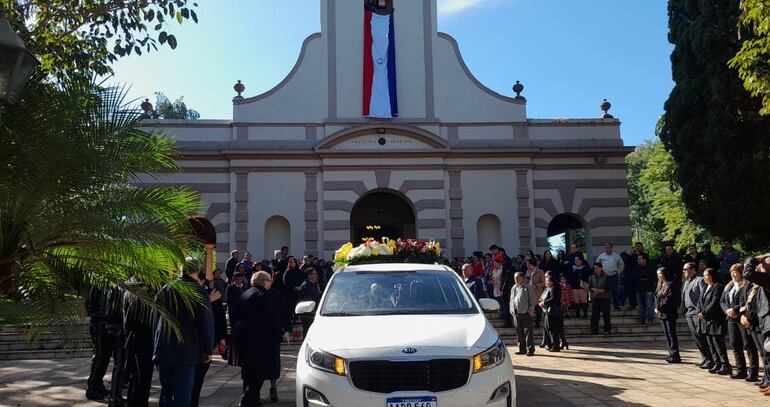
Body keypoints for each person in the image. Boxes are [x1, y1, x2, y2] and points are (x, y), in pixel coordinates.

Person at [153, 258, 214, 407]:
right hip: (187, 350)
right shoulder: (198, 291)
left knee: (167, 393)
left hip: (164, 348)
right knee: (182, 394)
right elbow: (205, 323)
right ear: (196, 271)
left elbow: (155, 318)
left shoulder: (166, 288)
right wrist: (208, 348)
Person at [232, 271, 291, 407]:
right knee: (258, 373)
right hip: (260, 342)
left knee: (248, 372)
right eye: (269, 280)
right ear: (264, 282)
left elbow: (235, 314)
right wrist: (282, 333)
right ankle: (250, 400)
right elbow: (272, 318)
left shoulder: (246, 293)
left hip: (245, 340)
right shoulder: (263, 296)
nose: (271, 283)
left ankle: (250, 398)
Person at [721, 263, 758, 380]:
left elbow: (746, 301)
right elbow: (722, 300)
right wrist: (727, 310)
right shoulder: (729, 286)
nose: (733, 274)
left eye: (735, 271)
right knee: (734, 344)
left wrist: (735, 310)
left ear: (741, 272)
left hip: (742, 317)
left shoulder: (747, 285)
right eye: (731, 272)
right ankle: (740, 370)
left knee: (748, 345)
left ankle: (753, 372)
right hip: (731, 318)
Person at [85, 284, 121, 401]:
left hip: (106, 323)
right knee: (101, 355)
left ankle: (98, 383)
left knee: (105, 356)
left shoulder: (110, 286)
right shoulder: (98, 285)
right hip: (99, 323)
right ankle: (92, 386)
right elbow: (90, 305)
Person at [122, 280, 154, 407]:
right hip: (143, 342)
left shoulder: (129, 297)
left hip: (134, 341)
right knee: (142, 378)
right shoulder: (139, 299)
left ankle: (135, 402)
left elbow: (127, 324)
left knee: (136, 377)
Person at [742, 255, 770, 391]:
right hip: (762, 322)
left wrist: (755, 258)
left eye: (762, 264)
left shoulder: (768, 278)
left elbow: (747, 273)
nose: (759, 266)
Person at [698, 268, 731, 375]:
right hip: (706, 320)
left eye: (706, 275)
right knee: (710, 343)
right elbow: (701, 300)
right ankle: (717, 363)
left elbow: (715, 302)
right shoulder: (706, 287)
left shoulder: (718, 287)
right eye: (703, 275)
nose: (704, 277)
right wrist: (700, 311)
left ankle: (725, 364)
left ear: (712, 275)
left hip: (715, 319)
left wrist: (704, 312)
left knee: (718, 343)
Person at [681, 262, 713, 370]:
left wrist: (700, 310)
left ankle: (709, 359)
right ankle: (704, 358)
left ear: (693, 269)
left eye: (686, 269)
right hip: (688, 312)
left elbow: (702, 297)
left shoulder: (699, 280)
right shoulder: (686, 282)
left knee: (701, 336)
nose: (684, 272)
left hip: (696, 312)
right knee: (696, 337)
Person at [655, 267, 681, 363]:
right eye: (658, 274)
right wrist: (657, 307)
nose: (659, 276)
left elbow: (669, 300)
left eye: (660, 274)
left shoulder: (671, 285)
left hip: (669, 313)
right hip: (662, 314)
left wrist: (659, 308)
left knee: (671, 334)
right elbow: (657, 297)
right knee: (667, 335)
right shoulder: (660, 285)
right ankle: (671, 353)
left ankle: (675, 355)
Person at [510, 272, 536, 356]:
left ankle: (530, 349)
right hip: (516, 312)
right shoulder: (513, 287)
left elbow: (532, 300)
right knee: (519, 332)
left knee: (528, 332)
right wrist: (511, 310)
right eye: (514, 278)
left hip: (525, 313)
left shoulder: (528, 287)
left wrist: (530, 310)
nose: (516, 279)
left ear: (523, 278)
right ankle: (522, 349)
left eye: (517, 277)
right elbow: (511, 299)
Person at [595, 243, 624, 310]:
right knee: (604, 290)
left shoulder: (616, 256)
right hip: (604, 275)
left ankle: (616, 305)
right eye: (605, 247)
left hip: (614, 275)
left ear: (611, 248)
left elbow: (622, 264)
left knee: (615, 290)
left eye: (608, 247)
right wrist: (599, 272)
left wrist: (618, 272)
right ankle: (603, 305)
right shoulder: (601, 256)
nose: (606, 249)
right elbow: (597, 264)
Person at [539, 274, 563, 352]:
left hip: (553, 312)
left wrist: (544, 303)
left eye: (547, 281)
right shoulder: (548, 288)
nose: (546, 282)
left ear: (552, 282)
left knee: (553, 330)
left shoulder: (554, 288)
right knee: (548, 329)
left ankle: (556, 346)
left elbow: (553, 299)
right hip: (547, 311)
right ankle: (551, 345)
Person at [589, 262, 612, 335]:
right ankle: (594, 329)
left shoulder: (607, 277)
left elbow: (609, 287)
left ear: (601, 268)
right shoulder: (591, 277)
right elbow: (590, 287)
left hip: (605, 298)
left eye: (597, 268)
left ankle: (607, 330)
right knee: (595, 315)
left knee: (606, 315)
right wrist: (593, 290)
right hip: (596, 298)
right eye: (595, 268)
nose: (595, 269)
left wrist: (600, 290)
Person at [298, 267, 323, 336]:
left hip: (314, 313)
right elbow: (309, 301)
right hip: (309, 315)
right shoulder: (305, 286)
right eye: (314, 274)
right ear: (309, 275)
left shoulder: (314, 284)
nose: (316, 275)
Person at [636, 253, 657, 325]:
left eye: (640, 259)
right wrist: (642, 277)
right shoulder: (636, 268)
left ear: (644, 260)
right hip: (639, 289)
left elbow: (649, 277)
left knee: (649, 305)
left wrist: (642, 277)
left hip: (648, 289)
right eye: (638, 259)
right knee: (641, 306)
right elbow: (635, 276)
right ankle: (642, 319)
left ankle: (650, 319)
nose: (638, 261)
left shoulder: (650, 267)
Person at [525, 259, 545, 330]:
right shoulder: (528, 272)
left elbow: (544, 283)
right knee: (529, 309)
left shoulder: (540, 272)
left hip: (538, 293)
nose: (527, 265)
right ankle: (529, 323)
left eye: (528, 264)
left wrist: (536, 286)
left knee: (538, 309)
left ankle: (538, 323)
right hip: (529, 293)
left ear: (531, 264)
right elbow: (526, 281)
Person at [282, 256, 304, 321]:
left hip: (298, 292)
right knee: (291, 307)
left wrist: (300, 287)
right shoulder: (287, 272)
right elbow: (286, 282)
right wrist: (293, 287)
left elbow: (302, 280)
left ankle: (297, 318)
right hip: (290, 293)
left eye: (294, 262)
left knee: (298, 306)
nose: (293, 263)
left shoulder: (300, 271)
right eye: (291, 262)